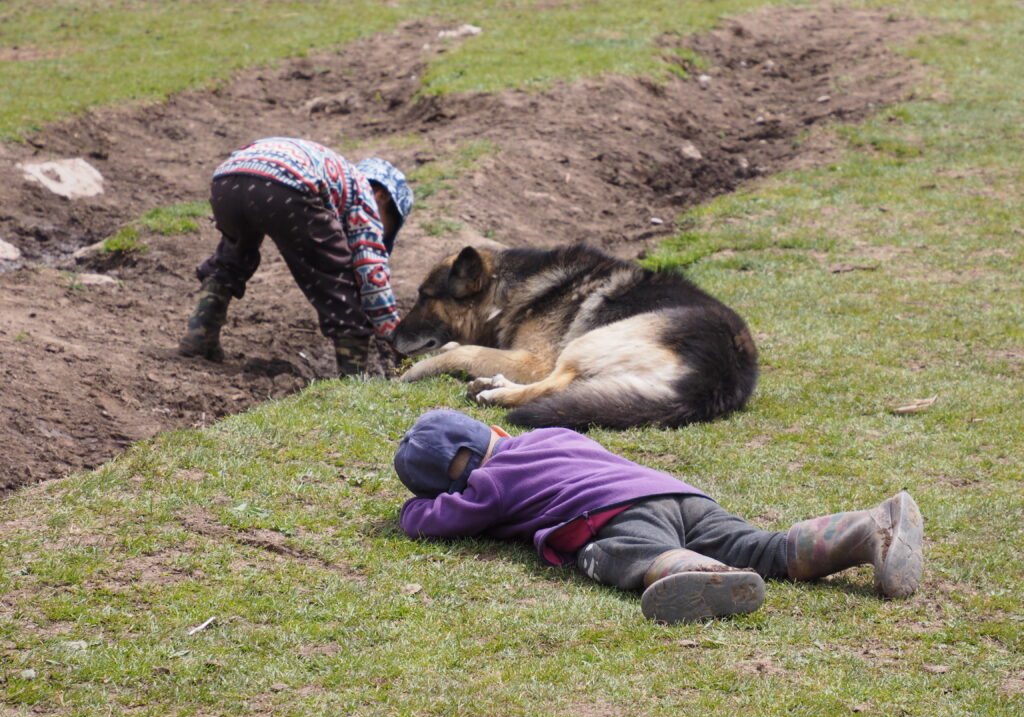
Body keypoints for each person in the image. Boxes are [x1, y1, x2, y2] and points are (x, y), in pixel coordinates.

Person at [394, 409, 925, 624]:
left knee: (615, 554)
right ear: (497, 432)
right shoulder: (553, 435)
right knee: (762, 547)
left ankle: (693, 573)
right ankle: (865, 530)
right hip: (677, 495)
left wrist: (411, 511)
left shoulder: (488, 484)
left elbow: (441, 521)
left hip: (612, 516)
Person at [178, 137, 413, 377]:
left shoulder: (336, 175)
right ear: (382, 195)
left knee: (233, 254)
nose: (383, 234)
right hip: (287, 185)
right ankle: (353, 377)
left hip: (227, 180)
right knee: (336, 277)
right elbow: (371, 275)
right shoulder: (364, 195)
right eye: (390, 225)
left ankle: (200, 335)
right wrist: (397, 338)